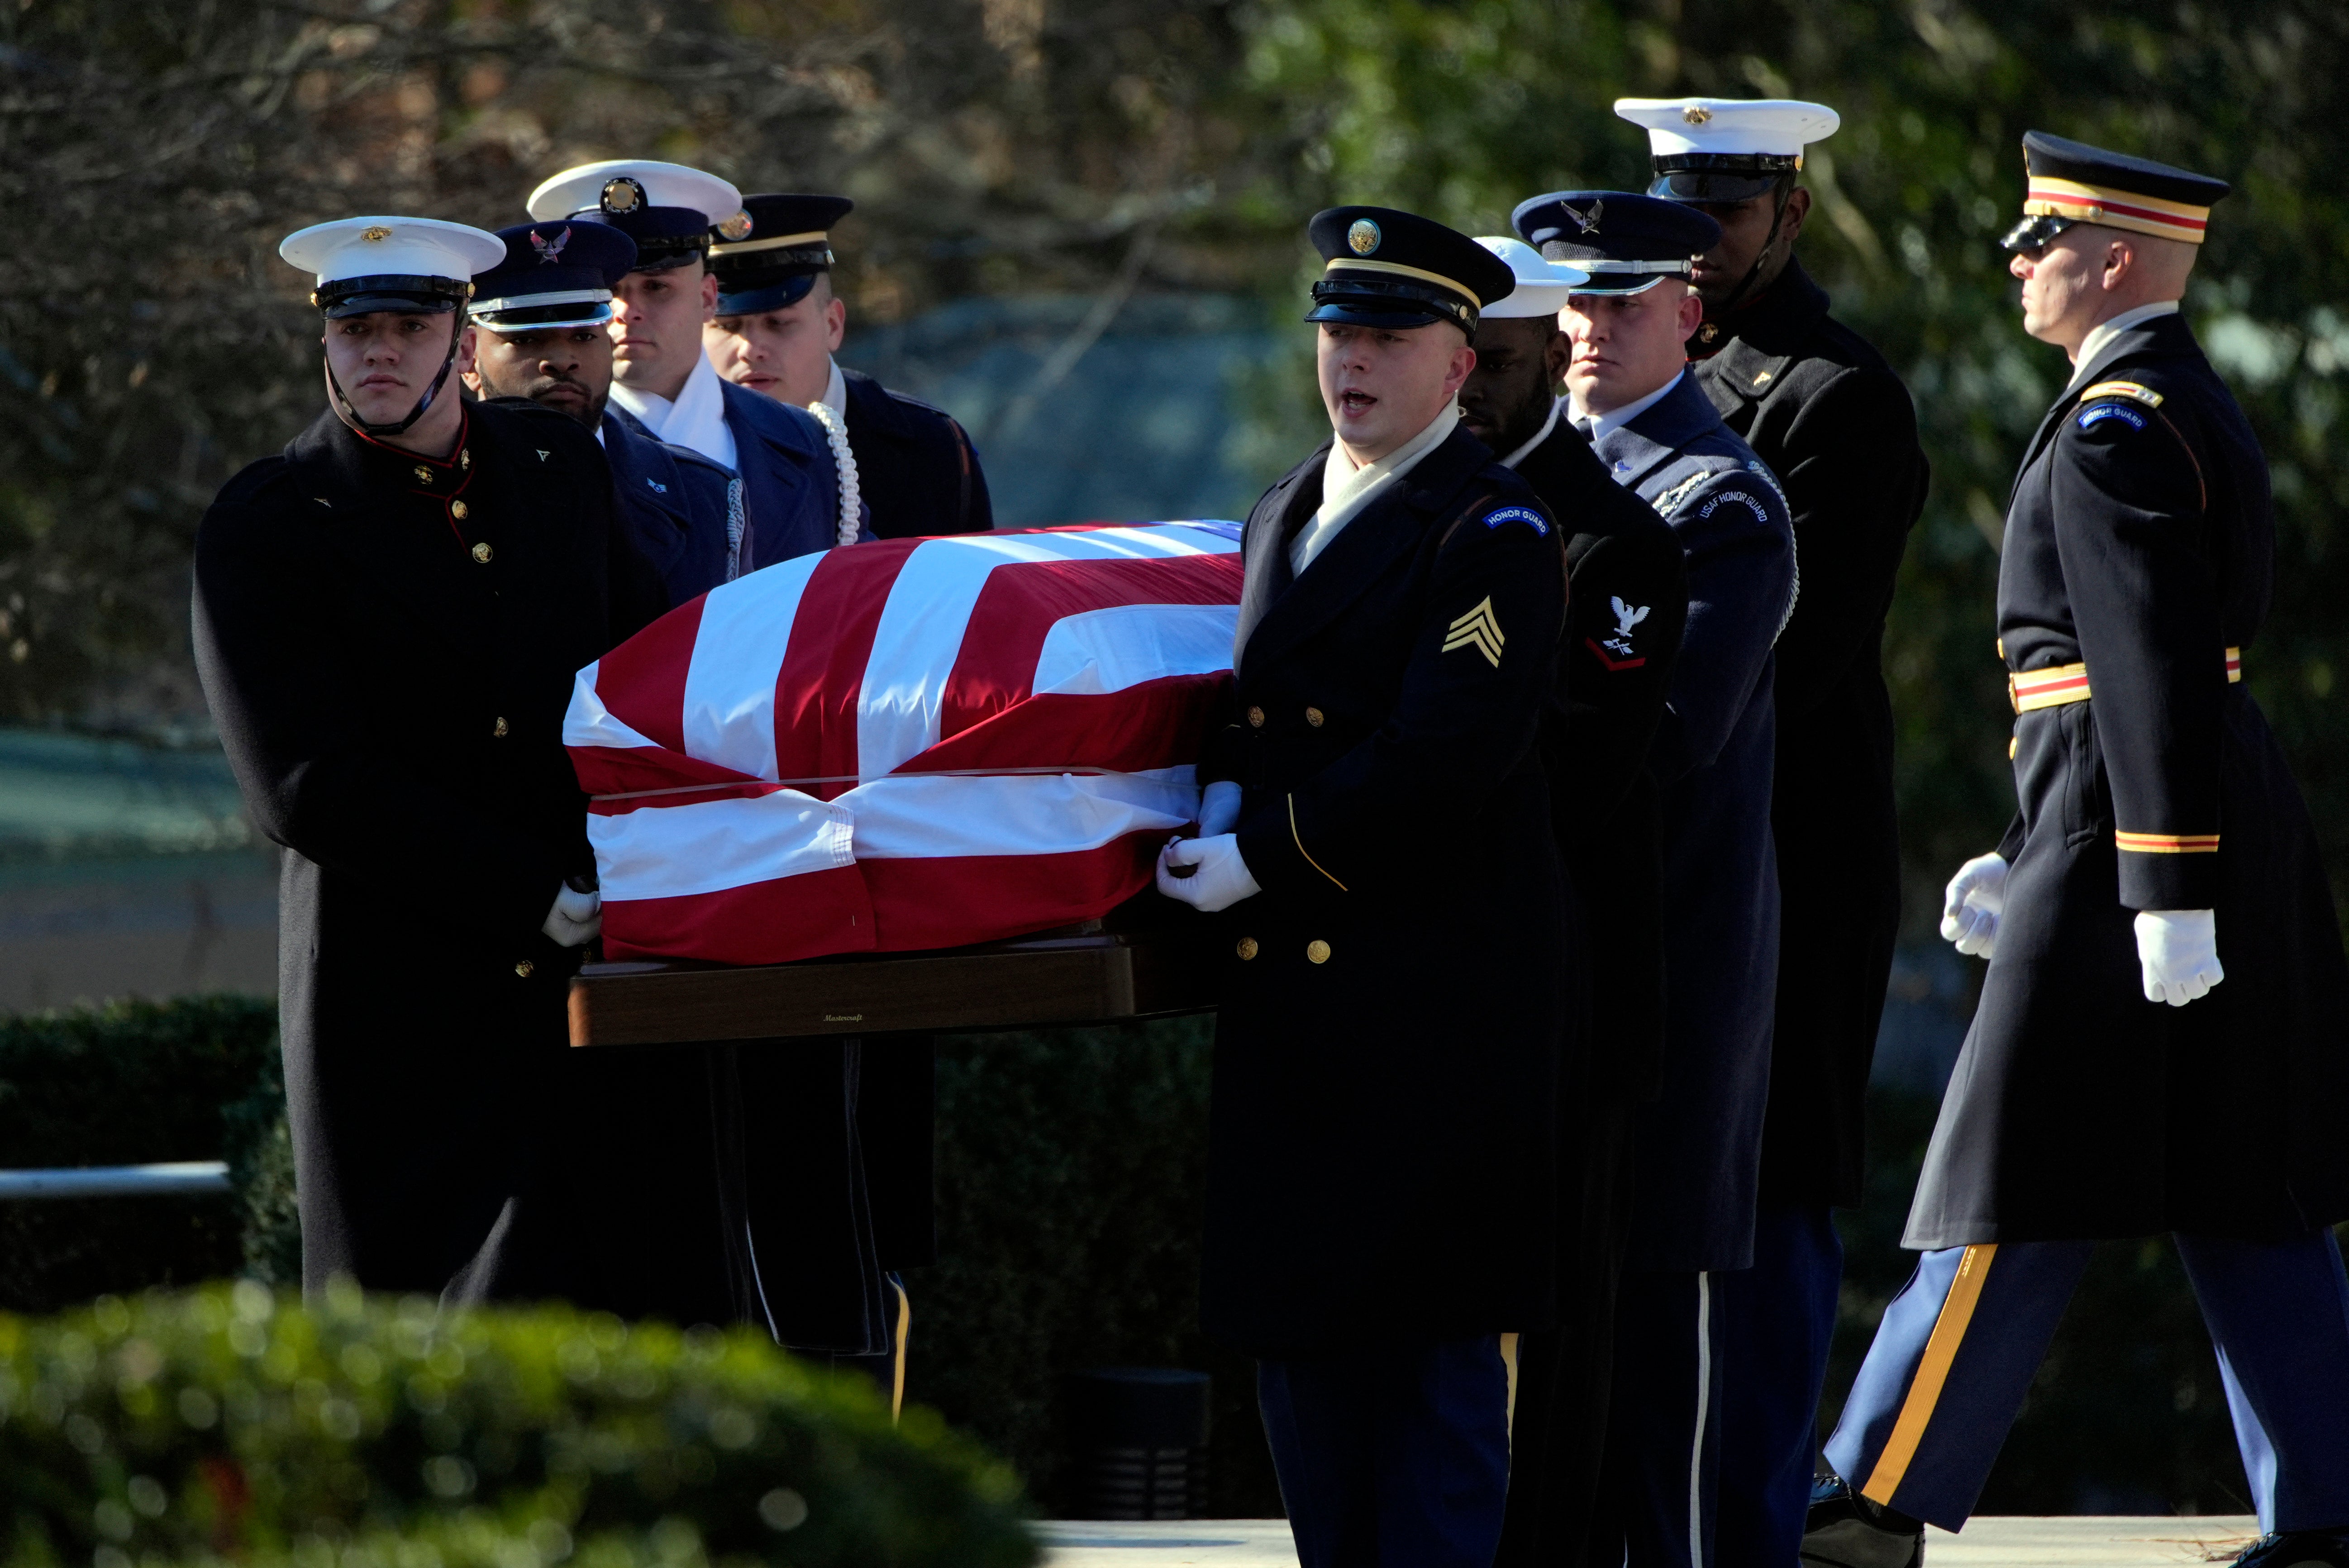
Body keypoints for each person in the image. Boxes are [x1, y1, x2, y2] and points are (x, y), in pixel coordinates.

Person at [1805, 133, 2349, 1568]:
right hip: (2141, 828)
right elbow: (2115, 681)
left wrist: (2157, 886)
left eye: (2036, 239)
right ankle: (2328, 1509)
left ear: (2110, 259)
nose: (2015, 261)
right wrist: (2017, 843)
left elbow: (2148, 665)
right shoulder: (2153, 402)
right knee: (2243, 1186)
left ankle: (1869, 1496)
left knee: (2002, 1176)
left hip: (2133, 844)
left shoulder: (2115, 424)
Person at [1154, 205, 1567, 1568]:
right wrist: (1213, 799)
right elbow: (1254, 704)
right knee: (1305, 1383)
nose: (1352, 361)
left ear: (1458, 364)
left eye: (1388, 337)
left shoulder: (1491, 528)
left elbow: (1445, 757)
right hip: (1296, 1029)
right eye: (1337, 331)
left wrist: (1260, 857)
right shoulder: (1285, 503)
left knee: (1431, 1399)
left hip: (1423, 1020)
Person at [192, 217, 667, 1303]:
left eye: (410, 326)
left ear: (461, 339)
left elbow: (643, 671)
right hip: (396, 1008)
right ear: (326, 343)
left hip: (588, 990)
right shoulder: (269, 521)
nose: (381, 352)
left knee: (614, 1319)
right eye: (358, 329)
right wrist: (531, 891)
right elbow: (304, 782)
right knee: (421, 1334)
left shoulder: (553, 466)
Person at [1617, 95, 1929, 1565]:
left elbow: (1780, 662)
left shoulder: (1831, 396)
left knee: (1772, 1198)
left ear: (1788, 215)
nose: (1694, 252)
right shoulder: (1612, 387)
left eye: (1724, 220)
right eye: (1670, 220)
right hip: (1658, 864)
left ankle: (1753, 1523)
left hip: (1785, 859)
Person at [1515, 189, 1796, 1568]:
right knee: (1551, 1356)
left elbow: (1662, 740)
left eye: (1622, 302)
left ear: (1686, 312)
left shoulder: (1720, 505)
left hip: (1665, 973)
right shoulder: (1518, 483)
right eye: (1572, 301)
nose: (1589, 328)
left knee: (1646, 1363)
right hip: (1548, 976)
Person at [1459, 235, 1692, 1568]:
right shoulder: (1394, 514)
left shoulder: (1614, 543)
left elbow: (1577, 767)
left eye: (1499, 362)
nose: (1478, 386)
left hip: (1568, 1002)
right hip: (1439, 993)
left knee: (1554, 1344)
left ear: (1552, 357)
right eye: (1465, 360)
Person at [526, 160, 857, 581]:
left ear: (707, 298)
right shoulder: (550, 447)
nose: (627, 313)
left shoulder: (806, 439)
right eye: (609, 292)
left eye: (657, 287)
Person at [462, 219, 741, 606]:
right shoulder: (421, 492)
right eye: (525, 339)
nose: (562, 361)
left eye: (583, 336)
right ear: (468, 357)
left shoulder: (705, 492)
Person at [705, 192, 994, 539]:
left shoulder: (931, 446)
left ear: (833, 325)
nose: (750, 349)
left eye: (778, 323)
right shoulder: (666, 446)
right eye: (727, 327)